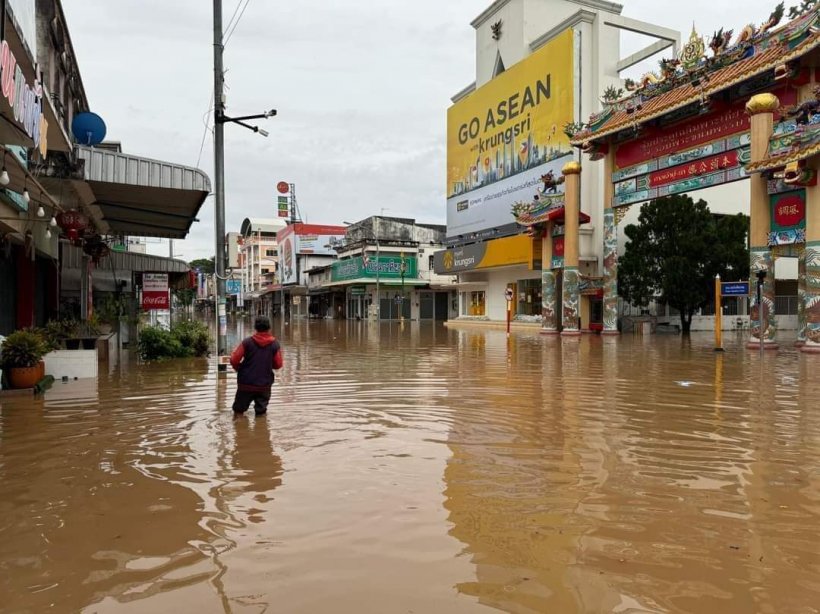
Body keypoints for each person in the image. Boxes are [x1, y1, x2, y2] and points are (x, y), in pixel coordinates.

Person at [229, 316, 283, 418]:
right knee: (261, 413)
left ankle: (239, 431)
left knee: (239, 411)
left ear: (255, 327)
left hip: (246, 384)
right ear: (269, 327)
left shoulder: (247, 342)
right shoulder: (275, 344)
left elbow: (234, 360)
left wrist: (238, 368)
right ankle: (262, 431)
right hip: (264, 385)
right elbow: (278, 364)